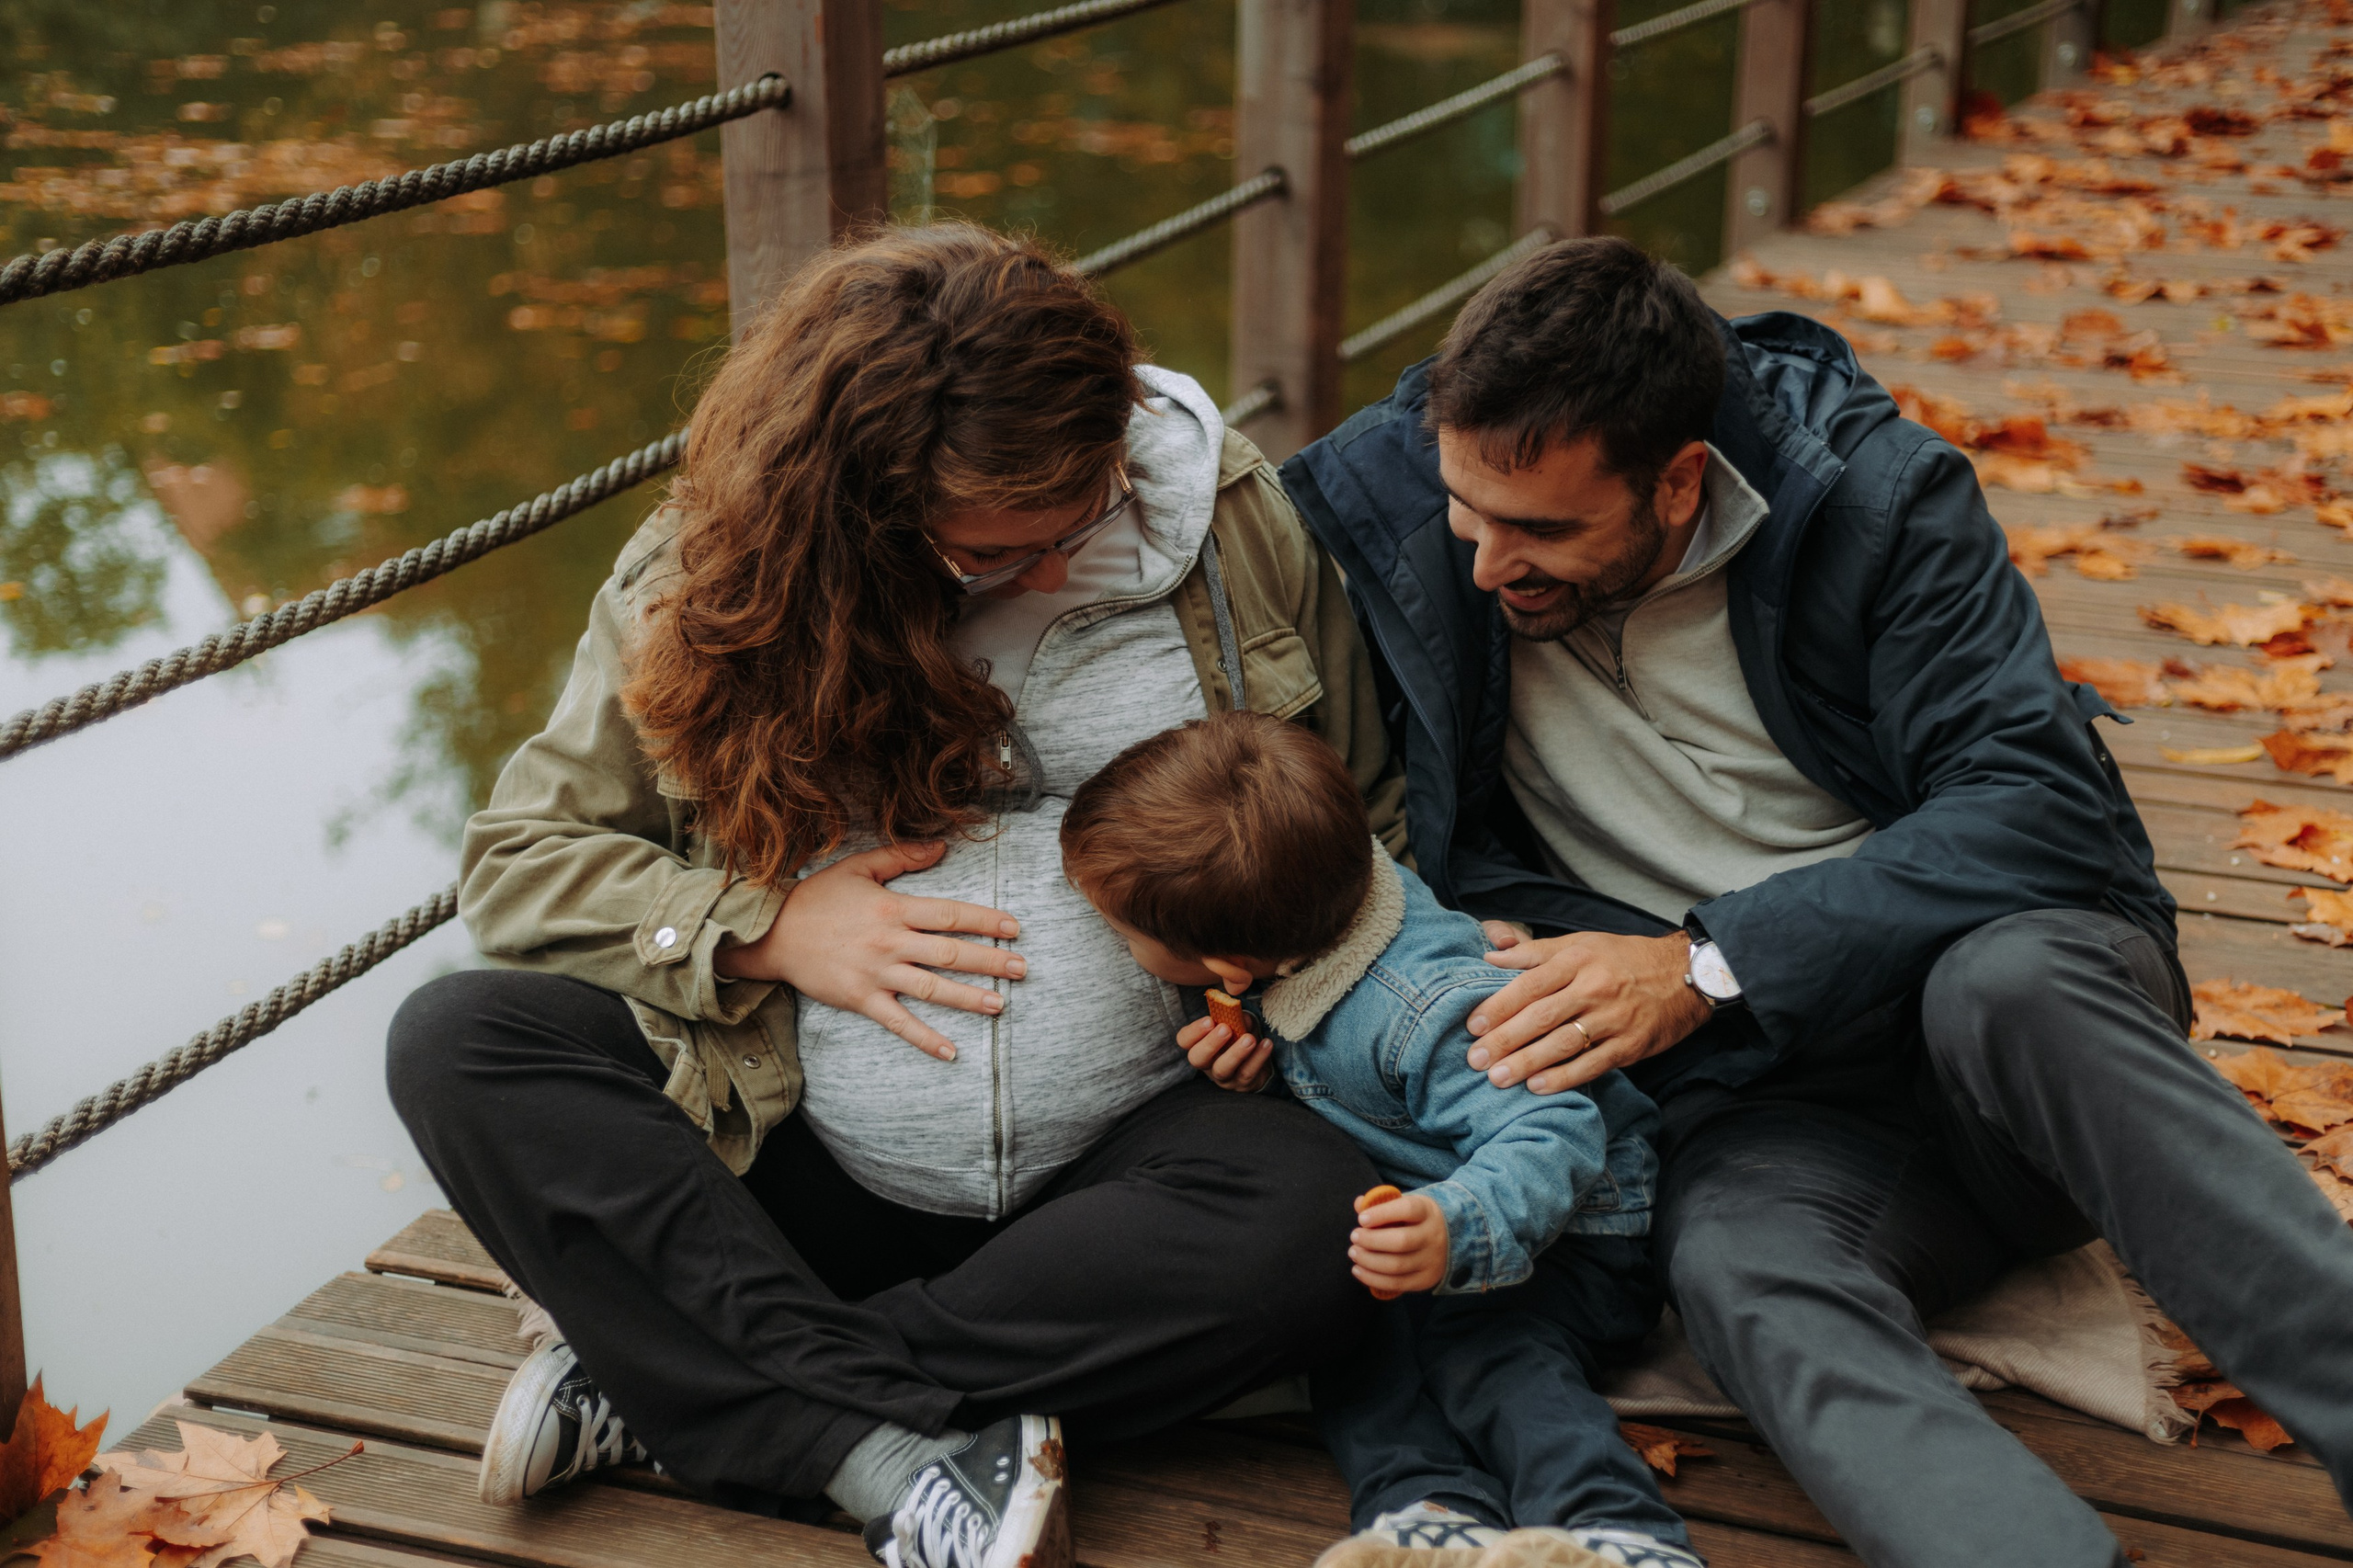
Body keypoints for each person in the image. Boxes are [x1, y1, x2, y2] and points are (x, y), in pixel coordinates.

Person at [1278, 234, 2353, 1568]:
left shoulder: (1880, 501)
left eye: (1545, 530)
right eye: (1468, 508)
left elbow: (2038, 802)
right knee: (1736, 1262)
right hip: (1760, 1102)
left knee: (2014, 984)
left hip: (1999, 1036)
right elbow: (1351, 809)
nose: (1488, 561)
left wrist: (1703, 963)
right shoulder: (1390, 520)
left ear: (1679, 480)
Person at [384, 223, 1409, 1568]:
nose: (1054, 568)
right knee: (459, 1038)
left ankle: (688, 1384)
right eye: (998, 548)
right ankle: (875, 1443)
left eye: (1084, 514)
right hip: (796, 1159)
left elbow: (1369, 828)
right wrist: (767, 930)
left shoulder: (1230, 523)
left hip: (1134, 1179)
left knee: (1334, 1221)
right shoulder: (707, 578)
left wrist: (1278, 1000)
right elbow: (521, 862)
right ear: (861, 519)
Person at [1060, 710, 1699, 1568]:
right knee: (1356, 1345)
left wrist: (1454, 1227)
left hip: (1568, 1233)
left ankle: (1616, 1531)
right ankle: (1428, 1513)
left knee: (1492, 1355)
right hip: (1434, 1212)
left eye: (1124, 936)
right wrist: (1261, 1076)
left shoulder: (1423, 1016)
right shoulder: (1325, 892)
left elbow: (1556, 1132)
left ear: (1229, 969)